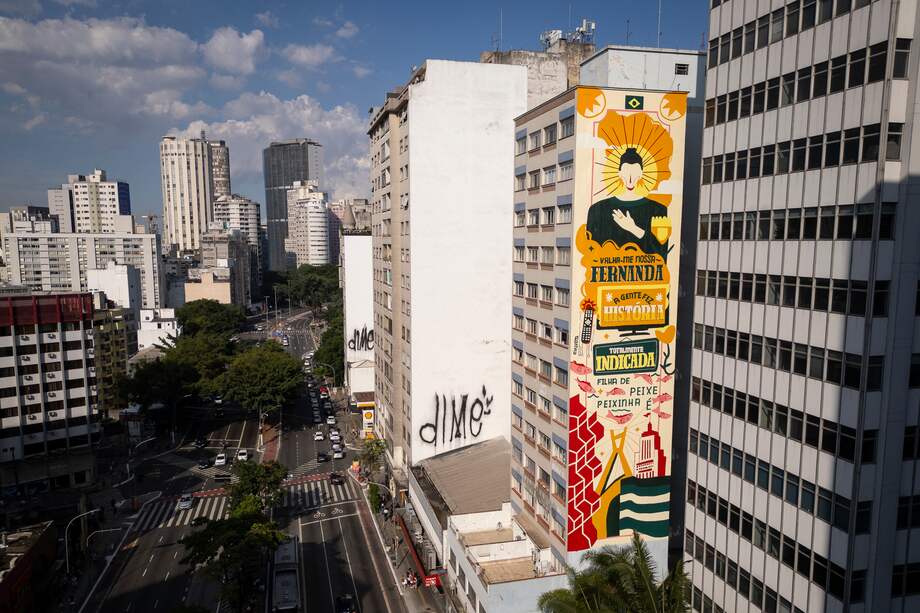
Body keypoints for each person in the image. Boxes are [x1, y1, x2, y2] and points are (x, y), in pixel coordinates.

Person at [586, 147, 669, 260]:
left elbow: (661, 255)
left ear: (641, 174)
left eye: (634, 172)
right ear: (619, 173)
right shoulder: (597, 209)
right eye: (626, 172)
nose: (630, 179)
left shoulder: (658, 210)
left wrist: (633, 228)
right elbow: (590, 254)